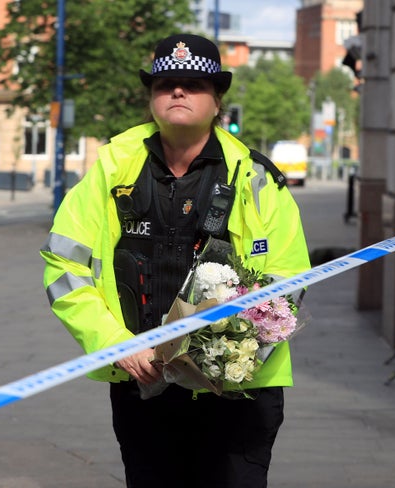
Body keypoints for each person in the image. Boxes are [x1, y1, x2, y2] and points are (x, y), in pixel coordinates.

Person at [40, 34, 310, 488]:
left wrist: (226, 359)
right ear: (151, 98)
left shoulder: (258, 178)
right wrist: (116, 344)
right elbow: (63, 266)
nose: (178, 91)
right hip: (142, 381)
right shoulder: (111, 169)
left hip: (236, 390)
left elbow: (288, 280)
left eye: (194, 83)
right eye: (165, 83)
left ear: (217, 99)